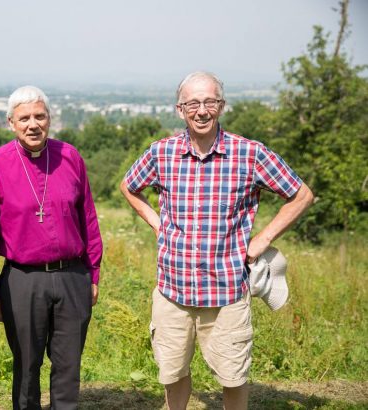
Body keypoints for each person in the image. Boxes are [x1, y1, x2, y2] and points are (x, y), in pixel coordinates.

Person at [120, 72, 314, 410]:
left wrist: (263, 239)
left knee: (233, 377)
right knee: (173, 372)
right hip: (172, 291)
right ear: (180, 109)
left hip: (226, 293)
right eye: (193, 103)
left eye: (210, 101)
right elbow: (129, 186)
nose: (201, 110)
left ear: (221, 106)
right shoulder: (161, 153)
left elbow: (301, 195)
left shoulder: (249, 153)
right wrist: (156, 222)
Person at [0, 86, 103, 410]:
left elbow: (88, 217)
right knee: (26, 366)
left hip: (72, 277)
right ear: (11, 123)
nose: (33, 124)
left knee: (68, 367)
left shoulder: (70, 156)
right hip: (22, 279)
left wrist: (93, 273)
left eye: (40, 116)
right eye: (24, 118)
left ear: (49, 119)